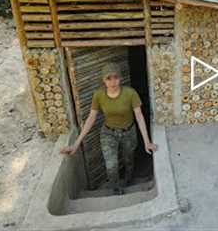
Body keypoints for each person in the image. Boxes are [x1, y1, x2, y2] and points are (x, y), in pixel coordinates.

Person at [60, 62, 158, 193]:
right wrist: (76, 144)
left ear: (120, 78)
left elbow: (139, 117)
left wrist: (147, 142)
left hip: (128, 133)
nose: (113, 82)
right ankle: (116, 189)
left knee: (129, 160)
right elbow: (91, 118)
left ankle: (128, 180)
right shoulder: (99, 95)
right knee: (111, 166)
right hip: (108, 134)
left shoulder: (130, 93)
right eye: (108, 78)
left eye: (115, 77)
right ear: (103, 80)